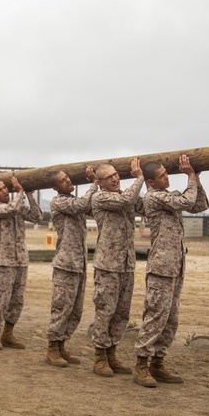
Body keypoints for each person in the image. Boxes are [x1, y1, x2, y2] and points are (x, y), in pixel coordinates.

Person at [132, 155, 209, 387]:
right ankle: (141, 364)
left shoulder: (169, 195)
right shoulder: (153, 197)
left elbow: (200, 204)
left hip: (176, 265)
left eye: (167, 173)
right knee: (156, 316)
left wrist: (197, 178)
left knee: (171, 319)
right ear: (151, 182)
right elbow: (186, 202)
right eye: (162, 176)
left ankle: (157, 363)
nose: (167, 177)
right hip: (161, 266)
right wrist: (190, 177)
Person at [90, 160, 144, 376]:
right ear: (100, 182)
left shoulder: (125, 195)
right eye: (109, 177)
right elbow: (125, 200)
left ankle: (112, 353)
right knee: (105, 310)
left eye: (116, 175)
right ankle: (99, 356)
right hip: (108, 265)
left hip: (126, 264)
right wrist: (140, 177)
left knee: (122, 312)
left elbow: (139, 203)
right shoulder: (100, 197)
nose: (115, 179)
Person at [45, 169, 96, 366]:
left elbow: (88, 206)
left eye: (68, 178)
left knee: (75, 310)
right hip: (66, 265)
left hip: (79, 264)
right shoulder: (59, 201)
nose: (68, 181)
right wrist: (94, 182)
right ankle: (52, 348)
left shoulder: (73, 201)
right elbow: (82, 204)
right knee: (61, 308)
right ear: (55, 188)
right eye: (63, 181)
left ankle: (61, 345)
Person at [0, 175, 41, 350]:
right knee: (1, 299)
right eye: (0, 190)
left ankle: (8, 334)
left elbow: (37, 216)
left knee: (17, 300)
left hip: (21, 261)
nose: (4, 191)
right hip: (4, 262)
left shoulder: (16, 206)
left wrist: (30, 196)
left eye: (5, 188)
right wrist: (20, 192)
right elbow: (11, 209)